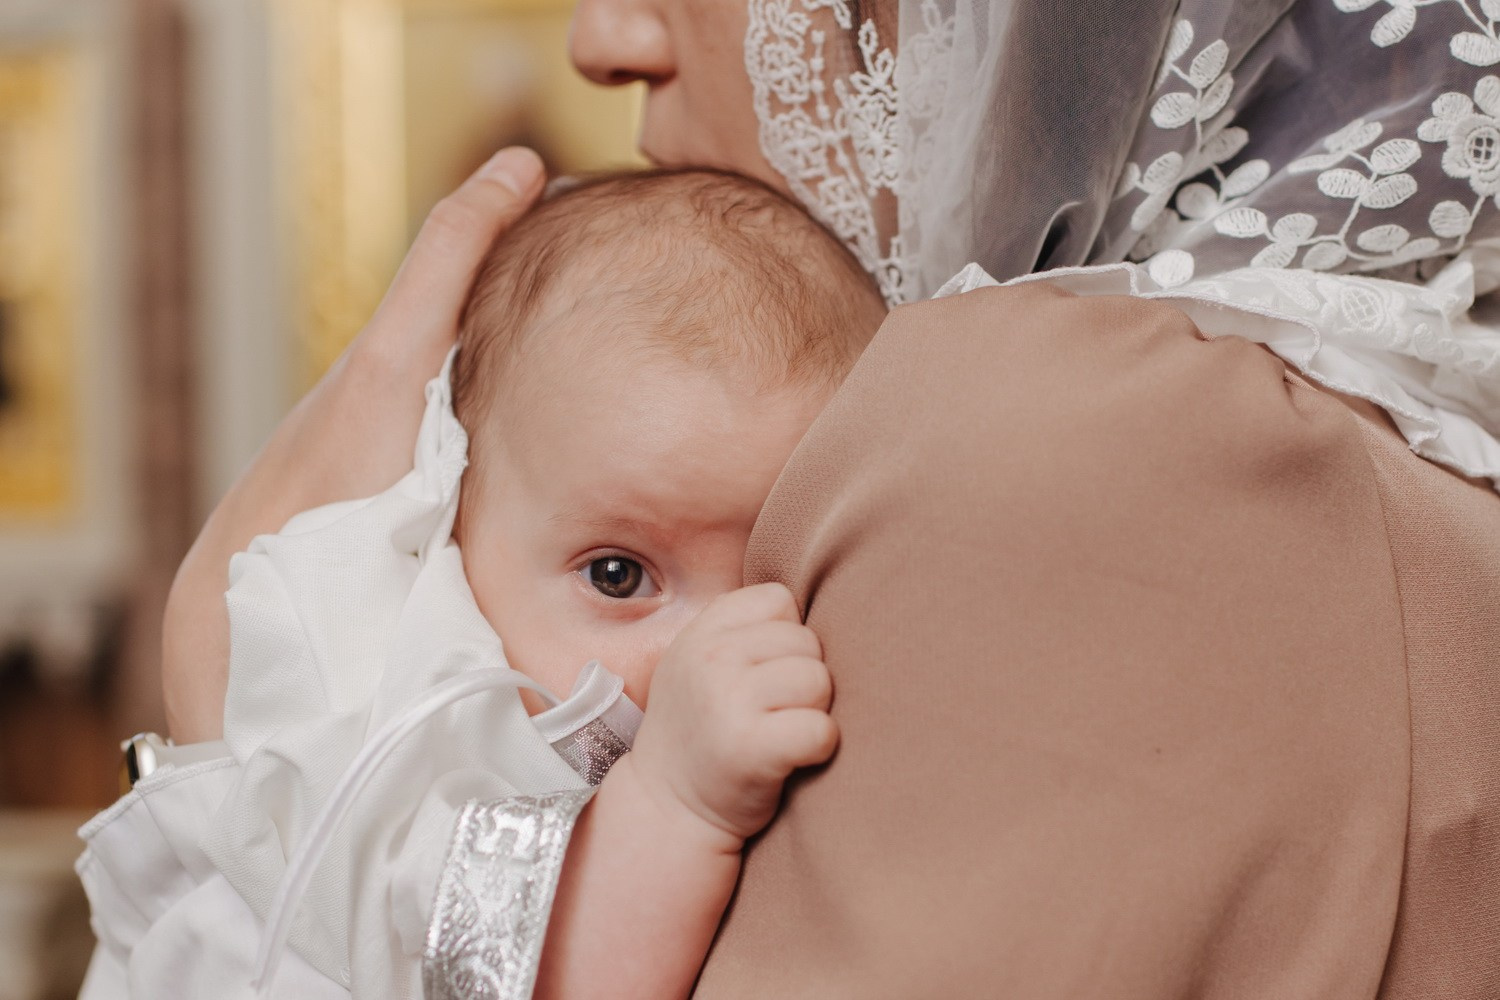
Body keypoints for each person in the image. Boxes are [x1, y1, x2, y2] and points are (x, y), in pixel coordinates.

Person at [156, 1, 1499, 998]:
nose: (603, 38)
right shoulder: (1369, 434)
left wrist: (217, 692)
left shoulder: (1059, 430)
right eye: (619, 573)